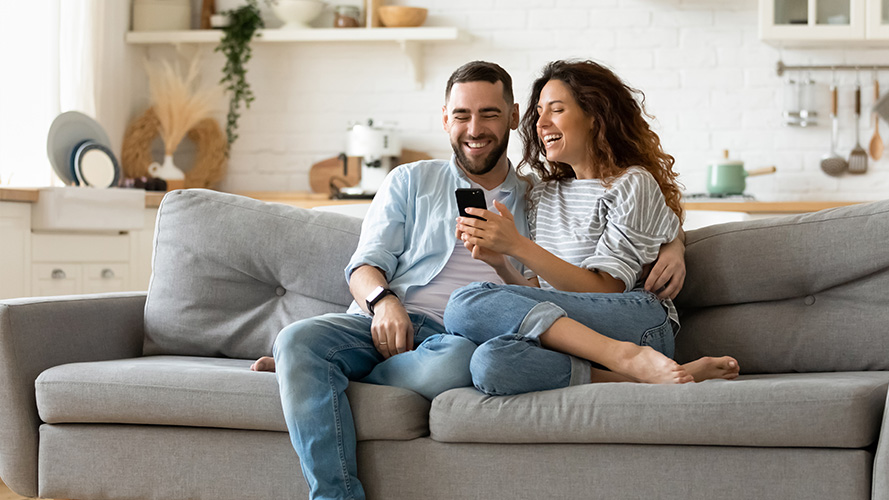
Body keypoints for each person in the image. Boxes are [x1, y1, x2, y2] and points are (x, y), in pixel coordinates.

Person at [256, 60, 688, 500]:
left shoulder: (533, 195)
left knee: (461, 355)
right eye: (461, 115)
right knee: (296, 340)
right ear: (445, 119)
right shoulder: (411, 180)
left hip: (458, 338)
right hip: (386, 320)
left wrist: (675, 244)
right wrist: (383, 301)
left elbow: (632, 213)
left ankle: (319, 375)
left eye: (489, 114)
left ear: (513, 117)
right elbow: (364, 265)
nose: (474, 129)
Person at [444, 59, 739, 396]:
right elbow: (540, 297)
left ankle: (628, 356)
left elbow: (606, 290)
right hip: (573, 329)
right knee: (490, 363)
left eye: (556, 110)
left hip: (635, 322)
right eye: (538, 112)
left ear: (595, 117)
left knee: (464, 303)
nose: (540, 123)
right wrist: (501, 262)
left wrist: (517, 246)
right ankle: (640, 374)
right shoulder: (543, 194)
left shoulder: (631, 184)